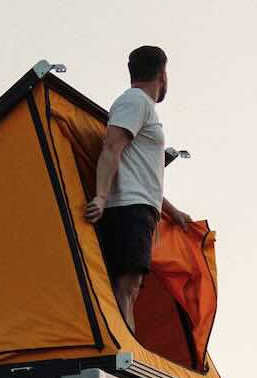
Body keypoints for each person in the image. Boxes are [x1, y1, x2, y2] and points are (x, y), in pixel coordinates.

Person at [84, 45, 194, 329]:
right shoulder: (135, 101)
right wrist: (101, 196)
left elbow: (142, 171)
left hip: (140, 208)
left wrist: (172, 211)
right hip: (127, 209)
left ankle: (127, 348)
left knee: (130, 288)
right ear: (163, 74)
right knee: (127, 287)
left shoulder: (140, 106)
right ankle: (125, 352)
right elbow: (111, 146)